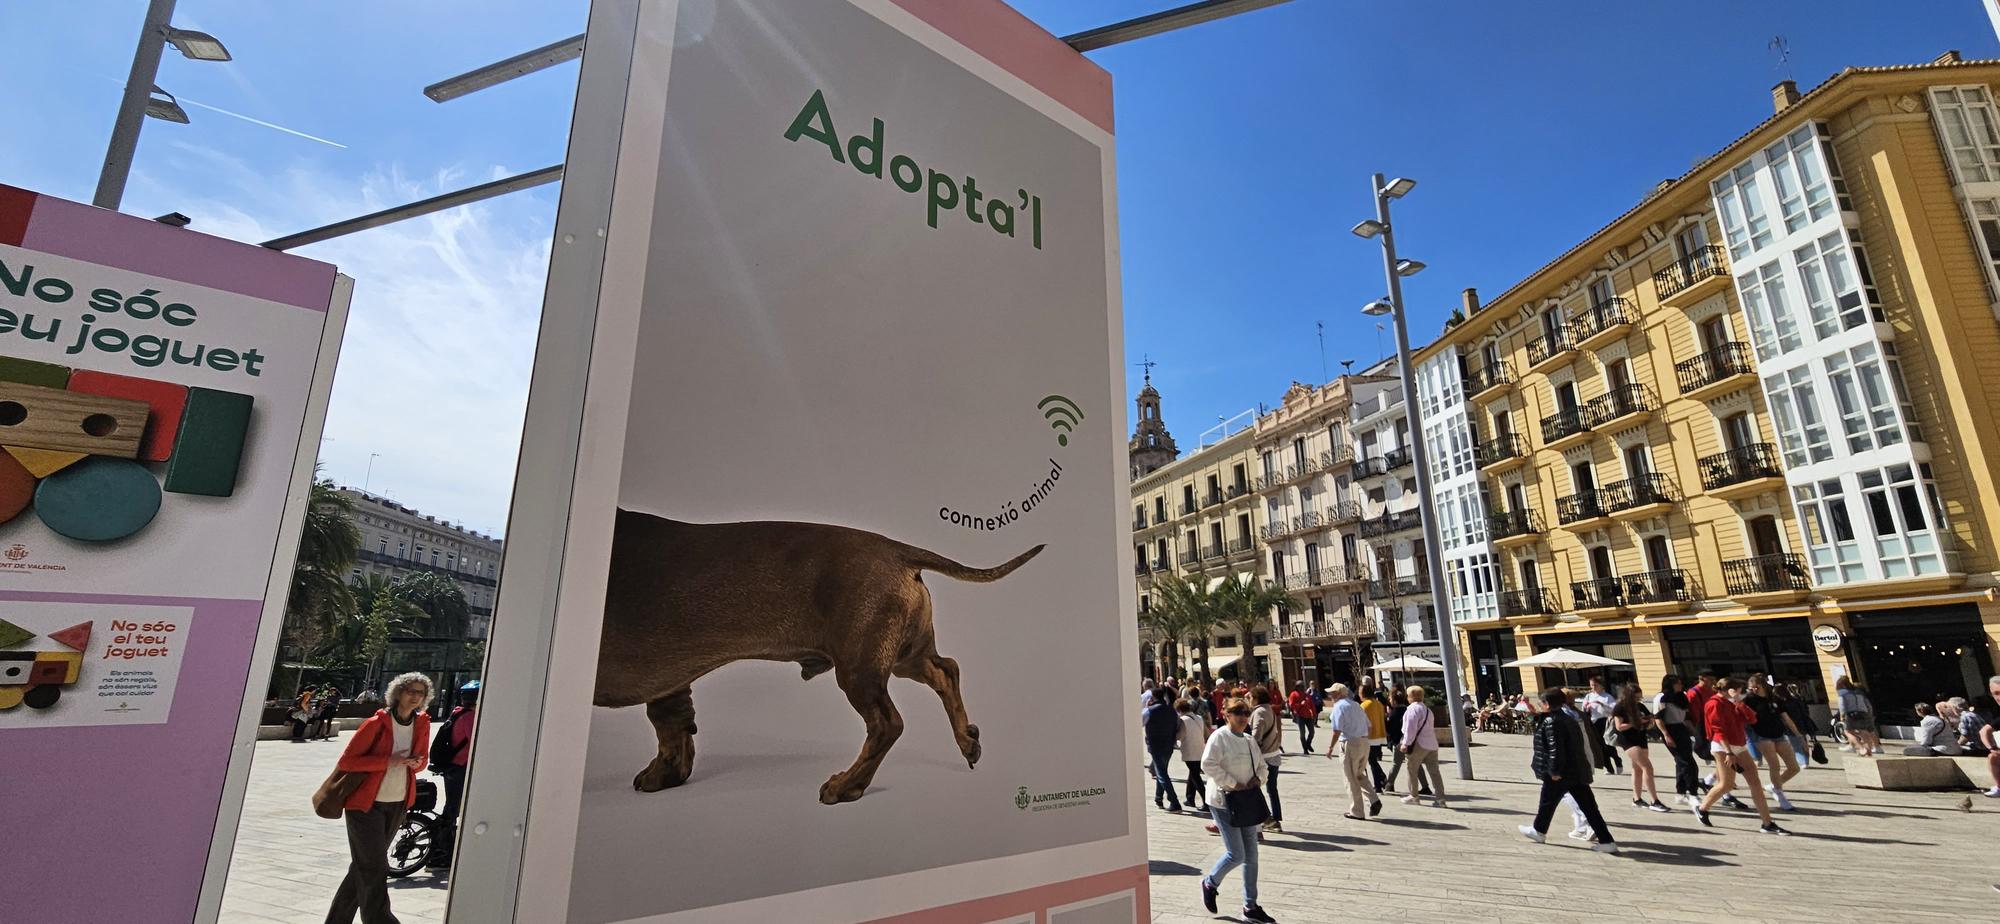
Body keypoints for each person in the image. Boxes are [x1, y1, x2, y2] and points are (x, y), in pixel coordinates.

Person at [327, 671, 433, 923]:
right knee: (374, 868)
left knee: (364, 866)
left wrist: (415, 763)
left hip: (397, 803)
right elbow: (348, 761)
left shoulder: (422, 723)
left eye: (421, 693)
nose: (415, 697)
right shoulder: (377, 723)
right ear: (398, 693)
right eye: (411, 691)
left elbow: (421, 763)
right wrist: (389, 761)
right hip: (365, 805)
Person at [1200, 698, 1278, 924]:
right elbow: (1208, 764)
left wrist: (1258, 779)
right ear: (1226, 715)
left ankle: (1250, 906)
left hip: (1247, 801)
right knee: (1237, 853)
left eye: (1245, 712)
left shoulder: (1249, 740)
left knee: (1251, 855)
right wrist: (1232, 783)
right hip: (1224, 801)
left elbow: (1262, 767)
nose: (1243, 717)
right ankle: (1210, 882)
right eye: (1237, 712)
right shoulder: (1219, 736)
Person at [1518, 688, 1617, 853]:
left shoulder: (1552, 721)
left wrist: (1555, 770)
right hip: (1576, 769)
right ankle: (1607, 840)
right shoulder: (1569, 718)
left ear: (1547, 704)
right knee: (1589, 807)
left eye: (1541, 703)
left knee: (1547, 802)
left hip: (1561, 772)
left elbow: (1556, 748)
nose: (1540, 706)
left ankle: (1539, 831)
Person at [1693, 679, 1788, 835]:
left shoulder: (1733, 703)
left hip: (1739, 745)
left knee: (1755, 783)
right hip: (1723, 748)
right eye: (1739, 690)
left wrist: (1739, 703)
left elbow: (1752, 719)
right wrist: (1729, 752)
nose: (1742, 693)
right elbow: (1718, 730)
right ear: (1730, 689)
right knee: (1726, 784)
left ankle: (1767, 823)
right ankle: (1702, 808)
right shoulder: (1714, 704)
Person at [427, 681, 479, 870]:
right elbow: (477, 742)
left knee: (453, 806)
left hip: (453, 767)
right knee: (453, 809)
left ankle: (445, 848)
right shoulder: (471, 718)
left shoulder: (457, 713)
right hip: (460, 768)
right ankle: (440, 853)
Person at [1742, 674, 1804, 810]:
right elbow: (1742, 715)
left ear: (1763, 685)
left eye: (1756, 687)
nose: (1754, 690)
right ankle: (1780, 795)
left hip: (1779, 734)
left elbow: (1786, 717)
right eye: (1751, 688)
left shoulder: (1774, 698)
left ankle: (1774, 786)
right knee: (1774, 765)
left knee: (1794, 767)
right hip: (1761, 735)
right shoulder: (1749, 700)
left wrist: (1798, 734)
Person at [1323, 683, 1380, 820]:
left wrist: (1331, 747)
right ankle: (1373, 799)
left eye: (1332, 693)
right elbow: (1369, 726)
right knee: (1359, 774)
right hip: (1364, 741)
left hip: (1349, 742)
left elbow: (1337, 730)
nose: (1330, 696)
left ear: (1337, 694)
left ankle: (1357, 811)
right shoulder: (1356, 705)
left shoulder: (1338, 707)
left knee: (1350, 778)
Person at [1612, 682, 1670, 812]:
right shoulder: (1620, 707)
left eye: (1639, 697)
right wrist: (1635, 722)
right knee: (1647, 768)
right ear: (1629, 696)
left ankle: (1636, 799)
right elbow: (1619, 727)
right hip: (1628, 740)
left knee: (1637, 769)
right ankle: (1654, 801)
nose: (1638, 700)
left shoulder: (1641, 706)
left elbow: (1648, 724)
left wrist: (1649, 722)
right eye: (1636, 698)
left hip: (1641, 737)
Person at [1397, 684, 1446, 808]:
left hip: (1419, 744)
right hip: (1432, 744)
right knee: (1435, 772)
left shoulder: (1412, 709)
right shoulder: (1428, 710)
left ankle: (1414, 796)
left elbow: (1410, 728)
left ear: (1411, 697)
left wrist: (1405, 743)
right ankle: (1440, 799)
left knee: (1412, 769)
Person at [1655, 675, 1702, 804]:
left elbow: (1686, 717)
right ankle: (1693, 791)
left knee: (1681, 762)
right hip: (1670, 730)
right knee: (1687, 763)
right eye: (1678, 683)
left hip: (1681, 729)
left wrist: (1694, 732)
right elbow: (1658, 718)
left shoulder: (1682, 697)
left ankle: (1681, 792)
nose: (1680, 685)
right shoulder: (1661, 698)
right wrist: (1666, 735)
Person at [1143, 685, 1184, 813]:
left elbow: (1139, 722)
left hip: (1155, 745)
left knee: (1161, 774)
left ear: (1152, 697)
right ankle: (1158, 797)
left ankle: (1174, 802)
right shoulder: (1172, 711)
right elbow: (1177, 726)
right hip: (1169, 745)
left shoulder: (1149, 711)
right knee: (1162, 771)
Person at [1249, 686, 1283, 832]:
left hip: (1264, 757)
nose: (1249, 700)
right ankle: (1276, 818)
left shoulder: (1259, 712)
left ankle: (1267, 818)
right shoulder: (1269, 709)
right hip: (1274, 754)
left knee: (1254, 788)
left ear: (1256, 698)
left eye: (1250, 697)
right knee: (1272, 789)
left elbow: (1256, 735)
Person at [1580, 676, 1622, 774]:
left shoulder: (1607, 697)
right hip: (1593, 722)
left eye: (1595, 685)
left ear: (1601, 685)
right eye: (1591, 685)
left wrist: (1600, 704)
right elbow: (1583, 709)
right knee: (1599, 746)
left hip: (1604, 721)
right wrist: (1586, 707)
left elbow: (1614, 710)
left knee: (1607, 744)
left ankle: (1617, 760)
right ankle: (1608, 767)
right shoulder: (1588, 696)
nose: (1593, 687)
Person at [1176, 696, 1211, 811]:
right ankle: (1190, 798)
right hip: (1200, 749)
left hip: (1190, 751)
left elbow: (1180, 736)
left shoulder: (1183, 720)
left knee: (1196, 776)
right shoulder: (1199, 718)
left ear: (1180, 710)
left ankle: (1206, 802)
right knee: (1193, 773)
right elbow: (1206, 733)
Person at [1834, 675, 1878, 757]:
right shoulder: (1858, 692)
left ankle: (1861, 748)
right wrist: (1869, 713)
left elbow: (1842, 705)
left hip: (1852, 714)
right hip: (1863, 713)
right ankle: (1869, 750)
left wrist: (1842, 715)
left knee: (1848, 731)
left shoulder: (1842, 693)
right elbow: (1866, 704)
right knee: (1863, 731)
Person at [1688, 672, 1719, 764]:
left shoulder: (1712, 690)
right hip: (1701, 721)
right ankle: (1706, 754)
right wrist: (1694, 726)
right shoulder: (1693, 692)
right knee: (1702, 743)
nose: (1713, 682)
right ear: (1701, 678)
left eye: (1714, 680)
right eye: (1710, 680)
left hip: (1712, 719)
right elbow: (1694, 711)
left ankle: (1712, 756)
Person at [1362, 687, 1389, 790]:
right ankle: (1381, 779)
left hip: (1369, 735)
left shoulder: (1364, 705)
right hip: (1379, 734)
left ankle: (1379, 783)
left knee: (1372, 760)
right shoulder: (1378, 704)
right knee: (1373, 760)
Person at [1287, 683, 1319, 754]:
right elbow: (1291, 705)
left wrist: (1314, 714)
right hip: (1299, 716)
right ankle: (1305, 749)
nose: (1303, 687)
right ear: (1297, 687)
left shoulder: (1307, 695)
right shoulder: (1293, 694)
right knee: (1302, 733)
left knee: (1312, 732)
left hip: (1308, 716)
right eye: (1302, 686)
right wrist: (1300, 704)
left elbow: (1312, 705)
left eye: (1304, 686)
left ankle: (1308, 744)